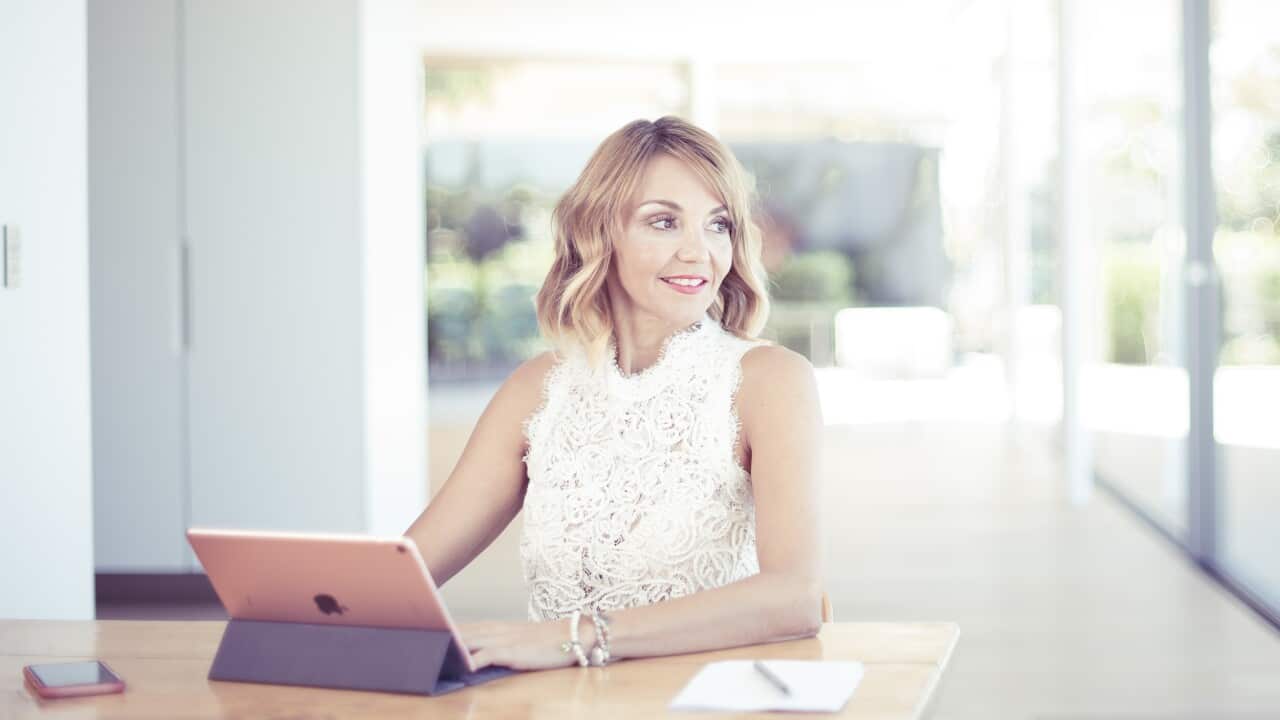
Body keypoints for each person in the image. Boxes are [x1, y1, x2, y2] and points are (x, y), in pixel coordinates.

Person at [404, 116, 823, 671]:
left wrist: (574, 637)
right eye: (664, 222)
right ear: (599, 231)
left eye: (718, 225)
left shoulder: (769, 381)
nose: (698, 251)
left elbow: (795, 597)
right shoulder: (536, 391)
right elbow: (406, 572)